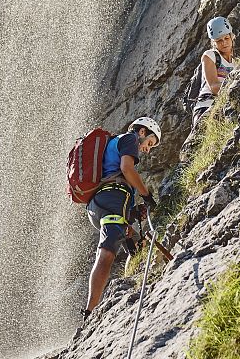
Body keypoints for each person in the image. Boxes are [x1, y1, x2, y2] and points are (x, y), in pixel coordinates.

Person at [79, 117, 161, 330]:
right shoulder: (130, 139)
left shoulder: (115, 144)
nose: (147, 150)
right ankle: (89, 312)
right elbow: (127, 169)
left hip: (99, 204)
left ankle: (137, 274)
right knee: (107, 253)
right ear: (142, 131)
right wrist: (146, 194)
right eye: (150, 143)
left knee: (131, 243)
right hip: (114, 197)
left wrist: (133, 212)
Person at [180, 16, 236, 157]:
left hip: (223, 105)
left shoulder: (236, 63)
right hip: (206, 106)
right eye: (219, 41)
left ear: (231, 36)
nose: (224, 43)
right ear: (213, 42)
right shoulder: (210, 56)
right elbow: (214, 86)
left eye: (226, 38)